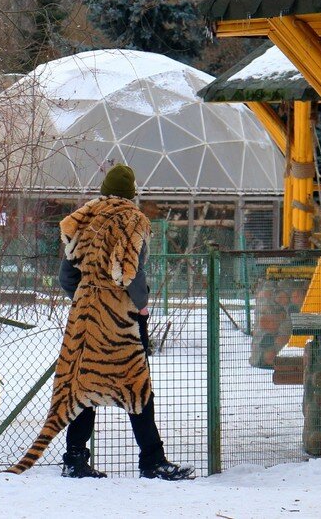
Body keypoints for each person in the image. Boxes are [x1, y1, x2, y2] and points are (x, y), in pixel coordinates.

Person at [57, 164, 194, 481]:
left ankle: (74, 459)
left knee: (85, 386)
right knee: (137, 388)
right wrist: (139, 303)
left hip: (88, 320)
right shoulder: (133, 222)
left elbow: (66, 277)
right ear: (132, 194)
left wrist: (86, 300)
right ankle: (153, 461)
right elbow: (133, 275)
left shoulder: (82, 222)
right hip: (122, 322)